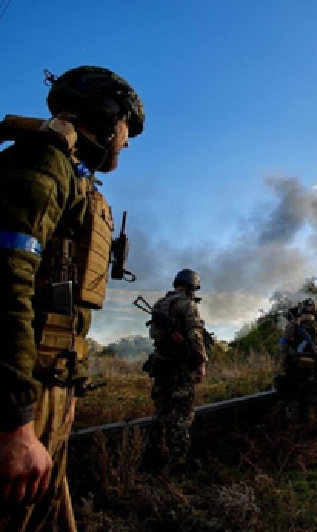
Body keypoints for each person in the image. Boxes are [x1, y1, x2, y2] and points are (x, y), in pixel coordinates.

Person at [0, 66, 145, 531]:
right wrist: (15, 421)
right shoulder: (42, 165)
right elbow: (6, 284)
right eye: (126, 129)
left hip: (51, 391)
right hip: (23, 401)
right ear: (107, 115)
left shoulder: (77, 179)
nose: (125, 143)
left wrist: (69, 387)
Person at [144, 269, 208, 473]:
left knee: (162, 412)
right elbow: (195, 336)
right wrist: (200, 363)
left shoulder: (160, 304)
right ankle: (178, 462)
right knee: (182, 415)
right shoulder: (187, 305)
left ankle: (155, 456)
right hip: (180, 368)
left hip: (161, 365)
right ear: (192, 287)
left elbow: (154, 334)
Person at [281, 298, 317, 371]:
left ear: (301, 309)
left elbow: (283, 341)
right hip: (316, 360)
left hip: (296, 359)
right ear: (315, 310)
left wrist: (284, 355)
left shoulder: (290, 325)